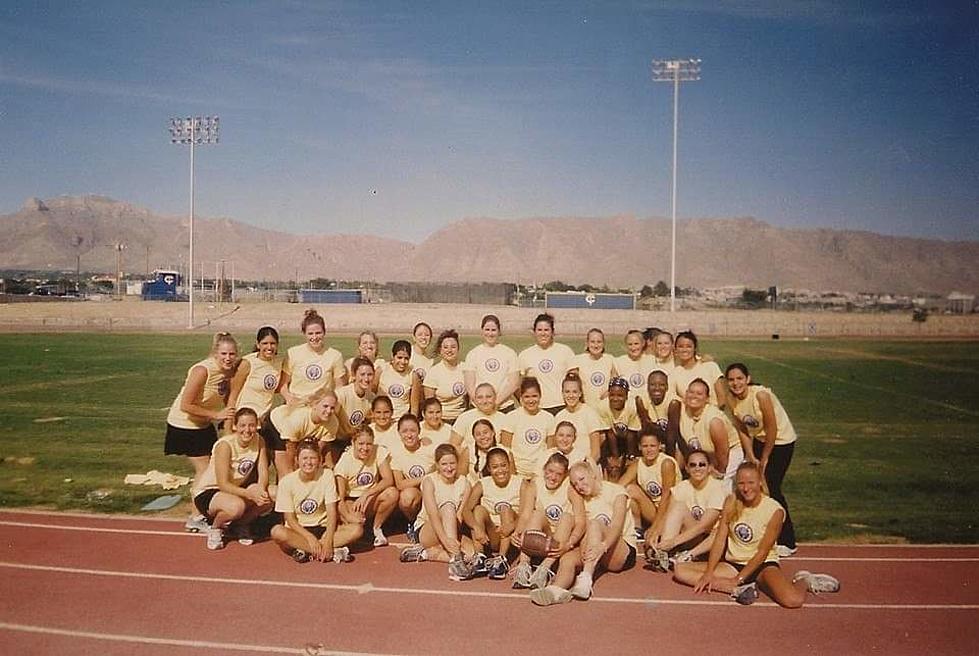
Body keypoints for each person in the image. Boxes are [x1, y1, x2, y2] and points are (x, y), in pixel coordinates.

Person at [673, 462, 839, 607]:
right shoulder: (731, 501)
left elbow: (762, 552)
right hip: (733, 564)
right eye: (741, 483)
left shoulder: (774, 510)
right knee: (680, 570)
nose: (746, 488)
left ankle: (804, 580)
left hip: (762, 565)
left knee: (793, 601)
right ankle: (737, 589)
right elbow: (719, 539)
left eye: (751, 482)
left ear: (760, 482)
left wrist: (738, 578)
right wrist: (709, 572)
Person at [532, 460, 636, 605]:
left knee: (595, 523)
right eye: (575, 484)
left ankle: (586, 578)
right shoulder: (580, 500)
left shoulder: (616, 491)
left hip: (618, 550)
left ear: (593, 475)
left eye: (582, 479)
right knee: (567, 559)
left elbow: (617, 526)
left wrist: (604, 546)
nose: (579, 486)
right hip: (592, 552)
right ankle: (555, 590)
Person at [164, 331, 239, 532]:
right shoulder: (202, 370)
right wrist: (216, 415)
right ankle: (196, 516)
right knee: (205, 471)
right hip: (184, 425)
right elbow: (186, 405)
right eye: (223, 354)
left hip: (204, 424)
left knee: (213, 469)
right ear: (215, 353)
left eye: (232, 354)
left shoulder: (227, 371)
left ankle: (204, 512)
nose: (228, 358)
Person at [725, 362, 799, 556]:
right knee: (755, 488)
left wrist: (764, 458)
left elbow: (772, 428)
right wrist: (750, 455)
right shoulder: (732, 400)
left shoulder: (761, 395)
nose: (735, 383)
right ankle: (762, 534)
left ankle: (788, 540)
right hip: (759, 440)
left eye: (739, 378)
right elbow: (742, 428)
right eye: (731, 380)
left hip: (781, 442)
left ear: (747, 379)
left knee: (772, 488)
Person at [192, 407, 273, 550]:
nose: (247, 430)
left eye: (251, 425)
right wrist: (250, 494)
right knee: (237, 506)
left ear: (257, 426)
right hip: (209, 492)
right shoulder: (225, 445)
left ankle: (239, 525)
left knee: (272, 495)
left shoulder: (259, 440)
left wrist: (260, 490)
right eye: (242, 425)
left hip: (235, 491)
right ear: (235, 426)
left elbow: (263, 470)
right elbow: (223, 484)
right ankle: (216, 528)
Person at [271, 438, 361, 563]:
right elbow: (290, 519)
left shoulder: (327, 475)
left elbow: (331, 512)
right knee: (277, 532)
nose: (309, 462)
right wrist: (309, 538)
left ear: (319, 460)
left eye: (313, 458)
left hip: (323, 528)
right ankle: (326, 550)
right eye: (305, 458)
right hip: (300, 530)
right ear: (297, 460)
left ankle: (307, 550)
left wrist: (328, 539)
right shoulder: (287, 482)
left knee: (356, 530)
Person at [399, 444, 478, 581]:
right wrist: (446, 541)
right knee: (447, 507)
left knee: (472, 555)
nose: (449, 468)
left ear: (458, 463)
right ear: (437, 465)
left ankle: (427, 554)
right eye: (444, 464)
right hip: (428, 529)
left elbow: (459, 515)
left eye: (452, 463)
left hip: (453, 528)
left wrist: (451, 541)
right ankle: (455, 562)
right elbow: (433, 515)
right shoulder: (429, 481)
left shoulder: (464, 483)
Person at [511, 452, 585, 591]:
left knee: (567, 517)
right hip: (541, 537)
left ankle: (544, 570)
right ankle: (524, 566)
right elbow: (525, 515)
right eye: (550, 471)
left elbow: (581, 521)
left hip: (561, 541)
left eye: (558, 474)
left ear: (564, 476)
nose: (553, 477)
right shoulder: (535, 484)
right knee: (536, 514)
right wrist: (518, 532)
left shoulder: (570, 488)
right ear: (544, 469)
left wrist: (569, 544)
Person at [644, 449, 726, 568]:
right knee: (678, 507)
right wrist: (656, 533)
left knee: (718, 531)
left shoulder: (718, 488)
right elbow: (668, 514)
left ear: (709, 468)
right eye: (692, 465)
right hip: (691, 536)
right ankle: (662, 554)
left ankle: (688, 555)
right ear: (687, 468)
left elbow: (703, 526)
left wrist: (673, 542)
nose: (697, 468)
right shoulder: (682, 486)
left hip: (710, 541)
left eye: (702, 464)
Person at [463, 447, 525, 580]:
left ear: (509, 464)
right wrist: (477, 528)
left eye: (503, 465)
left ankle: (501, 560)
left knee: (505, 510)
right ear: (489, 469)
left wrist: (513, 525)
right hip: (491, 535)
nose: (500, 470)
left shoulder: (520, 482)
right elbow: (466, 510)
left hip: (512, 535)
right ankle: (480, 557)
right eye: (495, 467)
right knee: (478, 510)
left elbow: (526, 512)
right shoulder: (483, 483)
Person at [335, 425, 399, 547]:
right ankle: (341, 537)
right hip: (352, 500)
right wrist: (348, 516)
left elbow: (388, 479)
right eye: (361, 444)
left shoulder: (378, 451)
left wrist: (367, 494)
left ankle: (376, 528)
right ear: (353, 442)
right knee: (356, 525)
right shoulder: (344, 462)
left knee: (392, 493)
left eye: (369, 444)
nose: (365, 448)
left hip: (369, 497)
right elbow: (340, 500)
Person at [678, 378, 748, 484]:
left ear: (707, 398)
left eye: (699, 394)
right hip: (707, 455)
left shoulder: (713, 420)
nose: (694, 396)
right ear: (686, 394)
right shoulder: (683, 409)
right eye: (691, 392)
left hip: (729, 453)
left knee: (718, 486)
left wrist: (719, 472)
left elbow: (723, 452)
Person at [619, 429, 680, 543]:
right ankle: (637, 529)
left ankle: (660, 530)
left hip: (670, 510)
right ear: (639, 447)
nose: (649, 449)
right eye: (645, 446)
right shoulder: (638, 463)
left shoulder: (666, 463)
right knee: (629, 490)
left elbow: (666, 497)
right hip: (653, 510)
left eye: (652, 446)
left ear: (660, 446)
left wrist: (655, 527)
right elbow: (618, 487)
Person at [260, 389, 340, 476]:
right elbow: (290, 449)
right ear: (314, 405)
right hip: (276, 427)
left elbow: (317, 450)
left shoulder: (333, 423)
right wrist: (294, 469)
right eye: (325, 406)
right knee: (287, 473)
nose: (328, 411)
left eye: (332, 408)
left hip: (299, 436)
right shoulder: (299, 419)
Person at [226, 326, 290, 430]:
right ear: (258, 344)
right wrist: (228, 427)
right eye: (265, 343)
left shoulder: (280, 362)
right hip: (244, 422)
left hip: (263, 421)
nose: (269, 347)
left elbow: (282, 385)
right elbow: (233, 396)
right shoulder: (248, 363)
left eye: (272, 343)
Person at [389, 413, 436, 542]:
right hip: (416, 493)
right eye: (404, 431)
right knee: (407, 496)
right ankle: (413, 523)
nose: (409, 435)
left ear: (419, 431)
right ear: (399, 433)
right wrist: (424, 478)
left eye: (413, 431)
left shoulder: (430, 449)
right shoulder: (396, 453)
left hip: (433, 492)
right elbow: (399, 484)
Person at [283, 309, 347, 404]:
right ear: (304, 334)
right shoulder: (293, 353)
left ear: (324, 332)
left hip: (321, 407)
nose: (315, 337)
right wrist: (288, 398)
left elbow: (339, 387)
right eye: (310, 333)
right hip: (296, 405)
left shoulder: (335, 356)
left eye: (318, 333)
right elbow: (283, 384)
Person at [518, 313, 576, 414]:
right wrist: (527, 402)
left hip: (562, 406)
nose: (543, 333)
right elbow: (518, 384)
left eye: (546, 330)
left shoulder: (565, 351)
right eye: (539, 330)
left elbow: (575, 380)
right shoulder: (525, 355)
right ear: (534, 332)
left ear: (552, 332)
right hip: (537, 408)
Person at [500, 377, 557, 479]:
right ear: (521, 398)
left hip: (541, 473)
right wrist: (514, 476)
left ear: (540, 396)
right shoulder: (511, 417)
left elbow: (550, 451)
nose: (531, 400)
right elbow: (506, 451)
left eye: (534, 396)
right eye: (527, 397)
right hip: (517, 473)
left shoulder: (549, 418)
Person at [462, 314, 520, 411]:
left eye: (493, 330)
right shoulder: (473, 354)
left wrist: (496, 403)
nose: (490, 333)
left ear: (499, 331)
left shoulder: (509, 353)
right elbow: (469, 385)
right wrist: (481, 404)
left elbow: (513, 384)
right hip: (479, 407)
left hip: (504, 407)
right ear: (482, 331)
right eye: (487, 330)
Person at [597, 377, 641, 477]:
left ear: (626, 396)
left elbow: (631, 433)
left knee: (631, 460)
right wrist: (616, 457)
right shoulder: (602, 406)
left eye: (620, 395)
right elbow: (610, 433)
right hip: (611, 439)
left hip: (630, 439)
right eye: (612, 395)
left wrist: (630, 455)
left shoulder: (632, 407)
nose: (615, 398)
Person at [553, 373, 602, 464]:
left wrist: (584, 468)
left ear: (580, 393)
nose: (571, 395)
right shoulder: (559, 416)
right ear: (562, 393)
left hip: (586, 466)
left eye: (574, 392)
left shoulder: (589, 413)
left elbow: (596, 453)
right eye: (567, 392)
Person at [671, 330, 727, 408]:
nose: (684, 350)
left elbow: (722, 397)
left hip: (713, 413)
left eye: (688, 346)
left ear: (695, 348)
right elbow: (674, 399)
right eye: (680, 346)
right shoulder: (675, 373)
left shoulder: (710, 366)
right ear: (676, 349)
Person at [423, 329, 468, 423]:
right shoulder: (433, 373)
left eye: (453, 347)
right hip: (441, 419)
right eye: (446, 347)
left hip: (462, 418)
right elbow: (430, 405)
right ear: (440, 350)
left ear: (458, 349)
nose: (449, 350)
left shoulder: (465, 368)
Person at [454, 383, 508, 456]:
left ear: (495, 397)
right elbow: (454, 445)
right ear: (475, 399)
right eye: (480, 397)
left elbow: (505, 449)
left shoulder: (504, 419)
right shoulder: (464, 417)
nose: (484, 401)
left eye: (488, 397)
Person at [569, 328, 616, 410]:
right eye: (592, 342)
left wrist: (609, 392)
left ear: (604, 343)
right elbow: (572, 384)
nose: (596, 345)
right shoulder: (578, 360)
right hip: (585, 408)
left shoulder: (610, 359)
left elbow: (615, 382)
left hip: (606, 408)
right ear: (587, 343)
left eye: (599, 342)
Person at [635, 369, 681, 452]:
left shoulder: (673, 402)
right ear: (647, 386)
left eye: (661, 385)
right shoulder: (641, 399)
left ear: (667, 387)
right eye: (652, 385)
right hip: (652, 438)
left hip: (672, 440)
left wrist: (669, 456)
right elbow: (646, 426)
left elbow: (673, 434)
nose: (657, 388)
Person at [375, 339, 420, 420]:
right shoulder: (381, 370)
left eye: (406, 358)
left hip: (401, 420)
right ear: (392, 356)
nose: (403, 362)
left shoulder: (413, 375)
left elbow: (414, 407)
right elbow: (372, 394)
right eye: (399, 357)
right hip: (382, 419)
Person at [335, 357, 375, 440]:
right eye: (362, 374)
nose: (366, 379)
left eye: (370, 374)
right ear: (354, 375)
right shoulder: (341, 395)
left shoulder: (372, 398)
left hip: (355, 440)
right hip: (336, 440)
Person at [464, 418, 514, 484]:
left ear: (493, 432)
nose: (482, 437)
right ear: (474, 437)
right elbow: (460, 478)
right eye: (478, 434)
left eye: (485, 432)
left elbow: (513, 478)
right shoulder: (469, 451)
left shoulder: (505, 452)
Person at [614, 330, 658, 400]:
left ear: (643, 343)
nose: (633, 348)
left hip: (647, 402)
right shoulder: (618, 361)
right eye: (630, 344)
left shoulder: (652, 360)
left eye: (636, 344)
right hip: (627, 403)